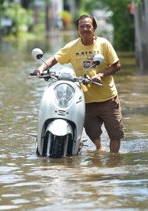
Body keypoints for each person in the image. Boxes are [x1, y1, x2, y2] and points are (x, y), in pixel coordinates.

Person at [32, 14, 124, 153]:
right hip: (86, 100)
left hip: (108, 99)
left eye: (88, 26)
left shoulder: (103, 44)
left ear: (94, 28)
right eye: (82, 26)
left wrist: (101, 74)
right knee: (92, 132)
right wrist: (41, 69)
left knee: (115, 133)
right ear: (77, 29)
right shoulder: (72, 46)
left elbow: (116, 65)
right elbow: (54, 59)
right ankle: (99, 148)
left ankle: (114, 161)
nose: (85, 29)